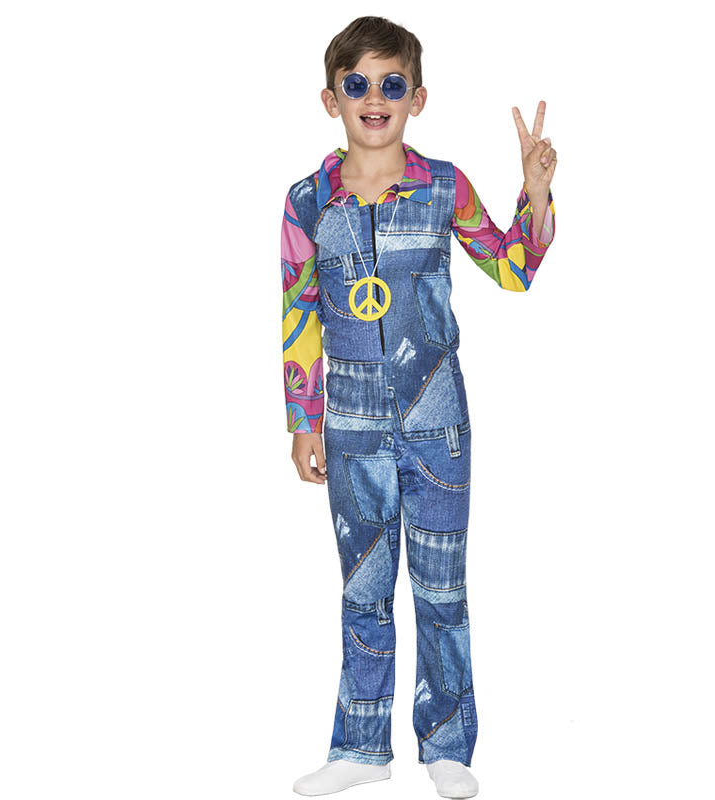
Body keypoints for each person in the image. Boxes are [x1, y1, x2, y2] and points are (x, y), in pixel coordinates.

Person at [280, 16, 556, 798]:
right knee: (363, 588)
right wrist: (303, 420)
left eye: (392, 85)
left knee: (441, 588)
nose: (375, 98)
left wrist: (536, 193)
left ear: (418, 98)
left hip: (437, 421)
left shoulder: (443, 188)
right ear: (331, 98)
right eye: (358, 84)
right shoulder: (308, 201)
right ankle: (360, 747)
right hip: (350, 425)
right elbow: (298, 311)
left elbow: (512, 269)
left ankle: (447, 745)